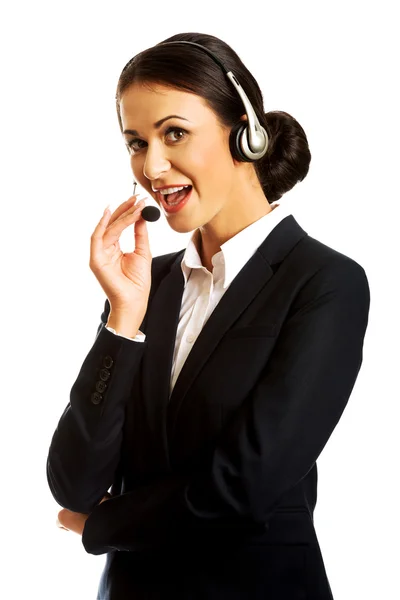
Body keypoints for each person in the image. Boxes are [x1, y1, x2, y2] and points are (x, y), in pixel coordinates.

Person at [47, 32, 370, 600]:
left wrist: (103, 525)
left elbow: (245, 487)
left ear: (244, 131)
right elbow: (74, 481)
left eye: (174, 133)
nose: (152, 165)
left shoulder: (324, 282)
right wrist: (123, 318)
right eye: (135, 141)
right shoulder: (149, 286)